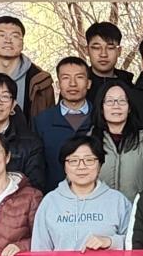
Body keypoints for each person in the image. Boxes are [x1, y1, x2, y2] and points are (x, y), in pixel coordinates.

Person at [33, 55, 96, 188]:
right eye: (66, 78)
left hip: (96, 195)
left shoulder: (100, 118)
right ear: (58, 84)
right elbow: (37, 167)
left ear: (89, 83)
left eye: (79, 77)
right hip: (54, 195)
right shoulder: (42, 121)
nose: (73, 84)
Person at [95, 81, 143, 202]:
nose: (116, 106)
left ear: (129, 108)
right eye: (110, 101)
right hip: (97, 212)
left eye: (122, 101)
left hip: (135, 212)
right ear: (101, 108)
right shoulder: (89, 143)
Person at [0, 13, 55, 118]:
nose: (8, 40)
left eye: (15, 36)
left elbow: (49, 122)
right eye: (1, 35)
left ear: (22, 43)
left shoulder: (41, 82)